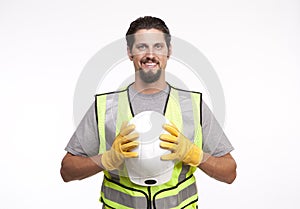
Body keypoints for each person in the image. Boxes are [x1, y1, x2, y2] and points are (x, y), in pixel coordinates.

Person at [60, 16, 237, 209]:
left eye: (158, 47)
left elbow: (229, 173)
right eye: (142, 46)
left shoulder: (192, 105)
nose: (150, 54)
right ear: (130, 52)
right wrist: (106, 159)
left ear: (169, 51)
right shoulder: (105, 107)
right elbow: (67, 171)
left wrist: (195, 155)